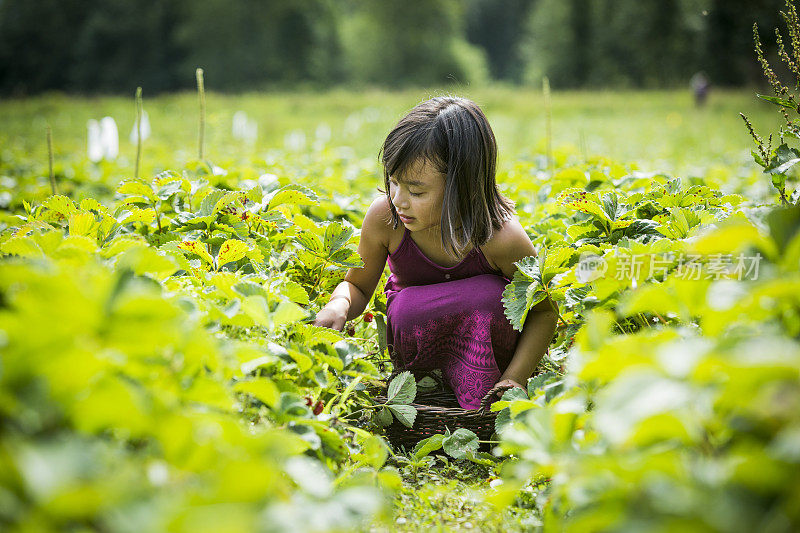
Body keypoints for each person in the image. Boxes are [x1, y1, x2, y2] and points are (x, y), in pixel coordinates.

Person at [313, 96, 559, 409]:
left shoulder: (501, 239)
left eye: (416, 191)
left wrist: (517, 378)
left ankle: (483, 397)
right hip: (416, 352)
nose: (399, 199)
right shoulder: (385, 219)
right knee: (407, 308)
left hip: (491, 356)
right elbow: (359, 285)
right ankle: (424, 390)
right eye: (393, 182)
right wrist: (340, 303)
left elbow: (543, 313)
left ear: (463, 186)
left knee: (489, 296)